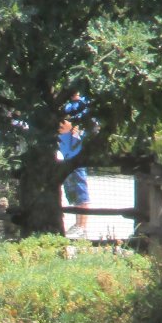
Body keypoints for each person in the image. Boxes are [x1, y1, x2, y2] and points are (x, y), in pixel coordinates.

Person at [58, 92, 90, 238]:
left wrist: (74, 129)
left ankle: (82, 226)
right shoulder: (66, 103)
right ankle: (78, 224)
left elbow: (79, 128)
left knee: (81, 192)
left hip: (76, 156)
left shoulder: (84, 103)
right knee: (72, 191)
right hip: (66, 155)